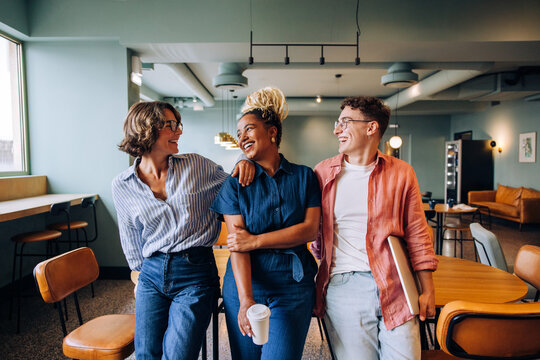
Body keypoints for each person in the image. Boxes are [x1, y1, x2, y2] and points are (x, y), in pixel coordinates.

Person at [111, 101, 254, 360]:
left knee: (178, 356)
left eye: (178, 125)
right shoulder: (122, 185)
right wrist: (140, 277)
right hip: (151, 276)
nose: (179, 131)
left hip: (195, 273)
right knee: (146, 355)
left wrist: (244, 160)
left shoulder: (197, 166)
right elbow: (130, 238)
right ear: (147, 129)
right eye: (171, 125)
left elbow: (235, 188)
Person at [310, 96, 438, 360]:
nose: (337, 130)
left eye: (345, 122)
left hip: (396, 285)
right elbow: (316, 238)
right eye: (338, 122)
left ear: (371, 128)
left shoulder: (402, 173)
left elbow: (417, 234)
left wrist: (428, 290)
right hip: (344, 285)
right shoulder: (322, 173)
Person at [211, 87, 321, 360]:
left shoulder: (305, 177)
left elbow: (309, 230)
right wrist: (246, 299)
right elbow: (238, 246)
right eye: (239, 134)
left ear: (272, 132)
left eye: (248, 129)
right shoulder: (234, 184)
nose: (242, 137)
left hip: (293, 286)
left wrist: (257, 240)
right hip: (246, 285)